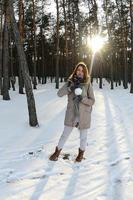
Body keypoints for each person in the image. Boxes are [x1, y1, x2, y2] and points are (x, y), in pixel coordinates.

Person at [49, 62, 95, 162]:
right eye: (78, 70)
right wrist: (69, 88)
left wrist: (83, 99)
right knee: (64, 135)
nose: (80, 72)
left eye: (82, 71)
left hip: (84, 115)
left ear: (85, 73)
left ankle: (81, 154)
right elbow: (59, 94)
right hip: (71, 114)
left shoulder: (87, 84)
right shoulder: (70, 82)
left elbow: (92, 101)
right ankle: (57, 152)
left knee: (83, 137)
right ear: (75, 71)